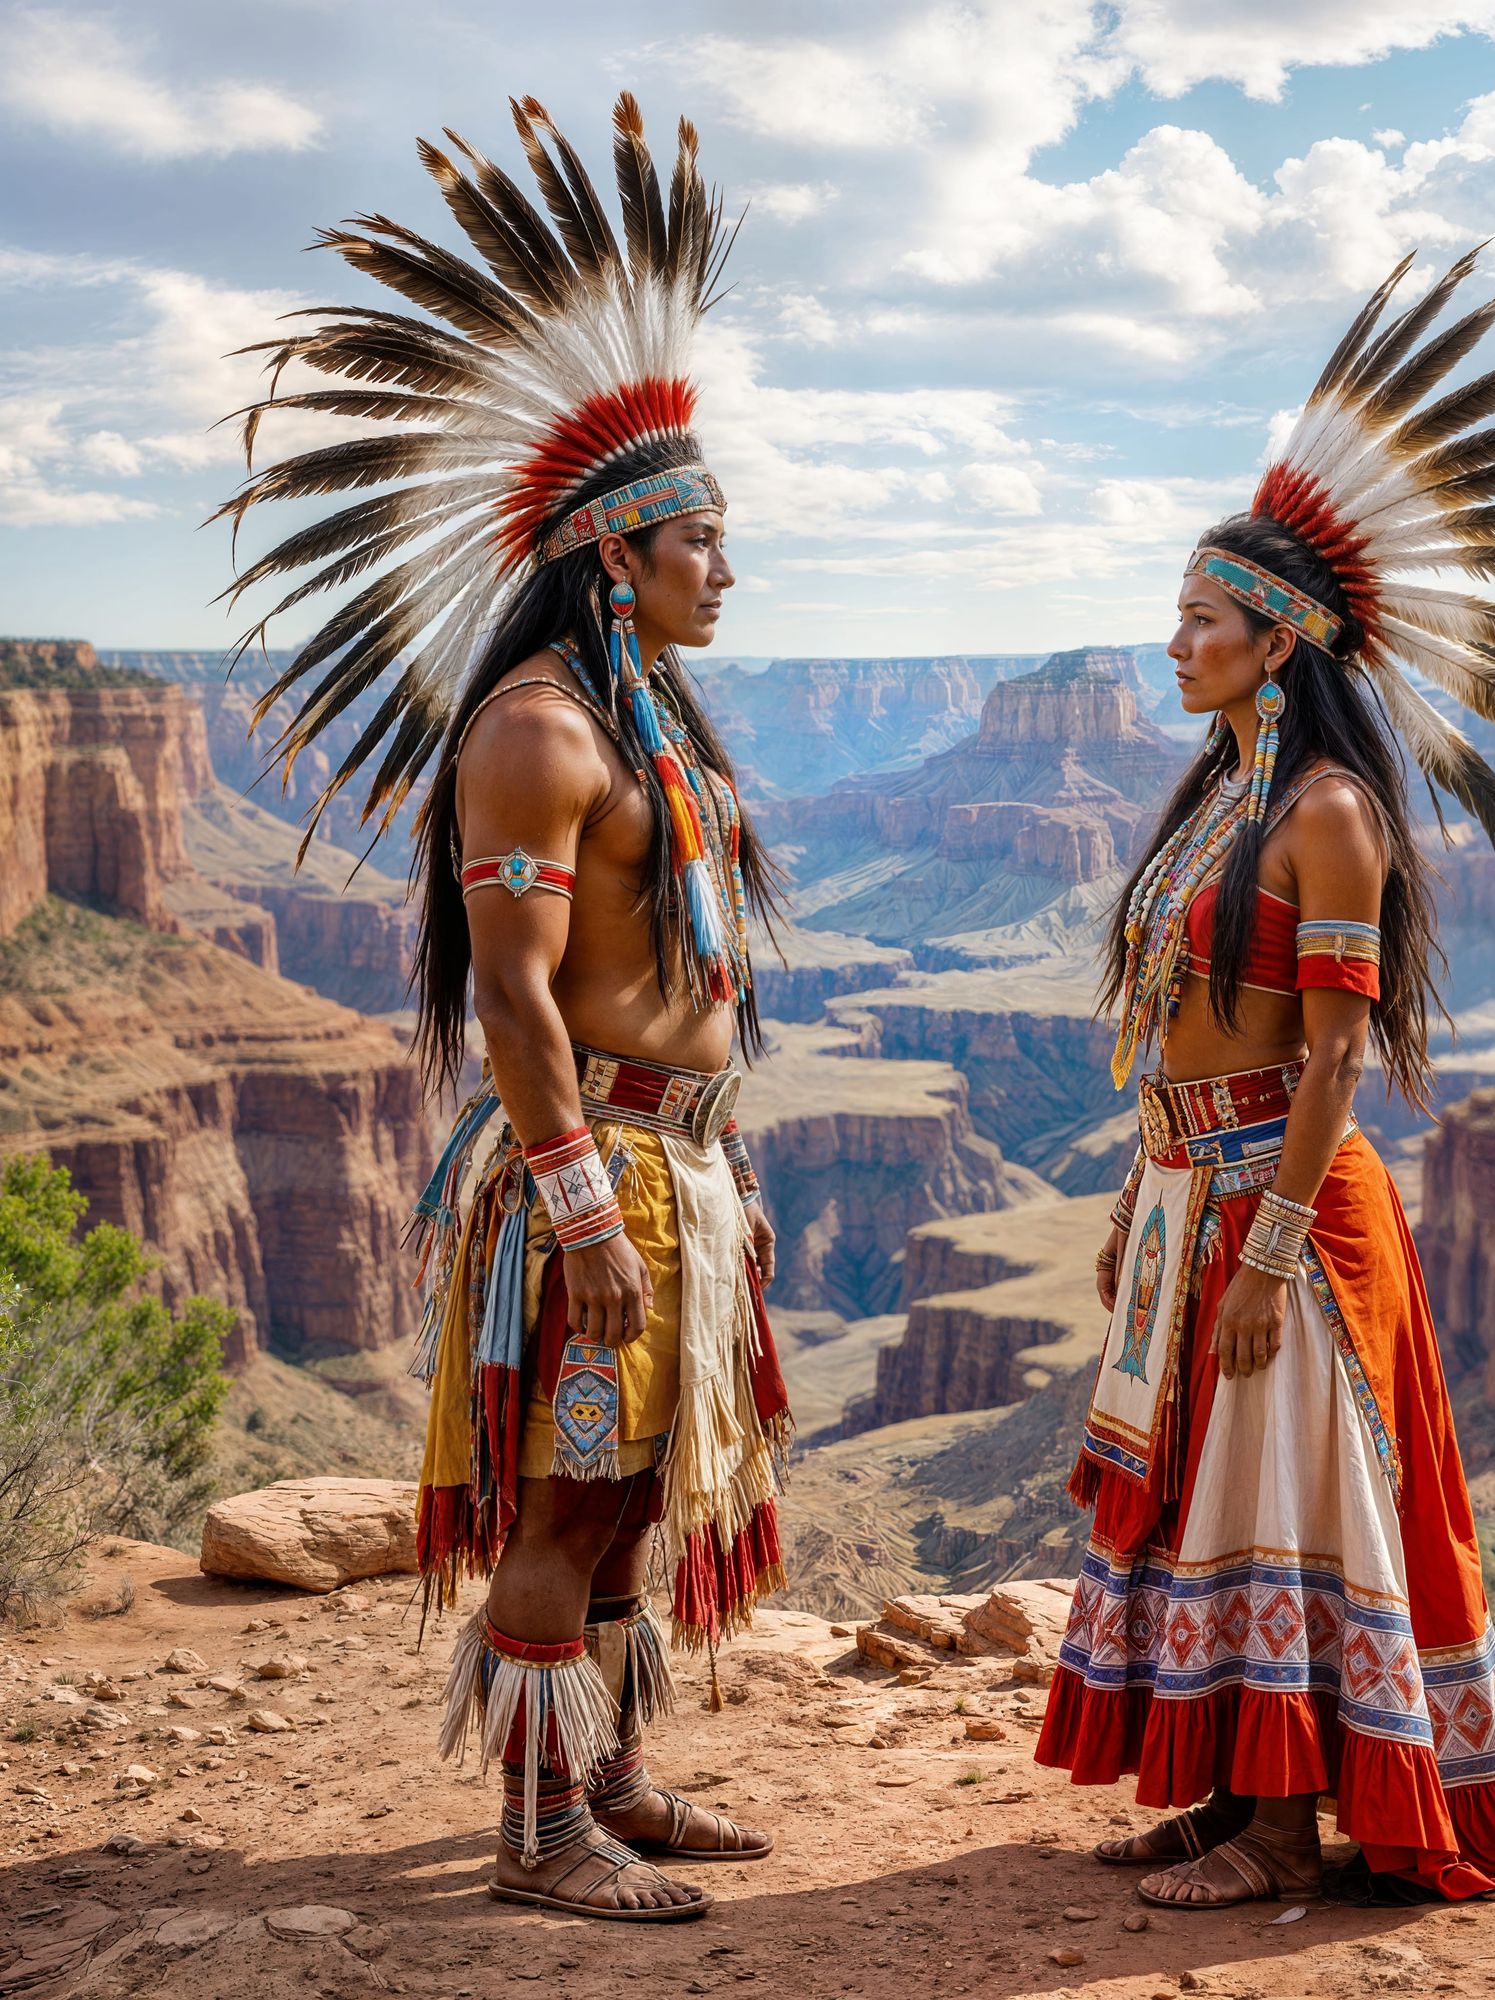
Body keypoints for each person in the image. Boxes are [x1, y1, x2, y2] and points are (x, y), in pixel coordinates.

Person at [1034, 247, 1495, 1909]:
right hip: (1193, 1184)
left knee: (1284, 1497)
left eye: (1202, 620)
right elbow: (1175, 1025)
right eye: (1177, 615)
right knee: (1190, 1488)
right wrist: (1141, 1196)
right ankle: (1212, 1790)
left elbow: (1329, 1059)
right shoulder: (1212, 799)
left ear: (1279, 639)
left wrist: (1257, 1246)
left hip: (1289, 1212)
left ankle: (1278, 1829)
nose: (1172, 642)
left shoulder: (1324, 810)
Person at [216, 97, 790, 1923]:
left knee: (626, 1498)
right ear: (615, 553)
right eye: (701, 539)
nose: (725, 565)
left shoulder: (630, 720)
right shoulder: (542, 732)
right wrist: (575, 1204)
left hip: (665, 1160)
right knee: (563, 1500)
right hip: (592, 1168)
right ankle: (537, 1839)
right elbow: (518, 998)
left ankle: (609, 1778)